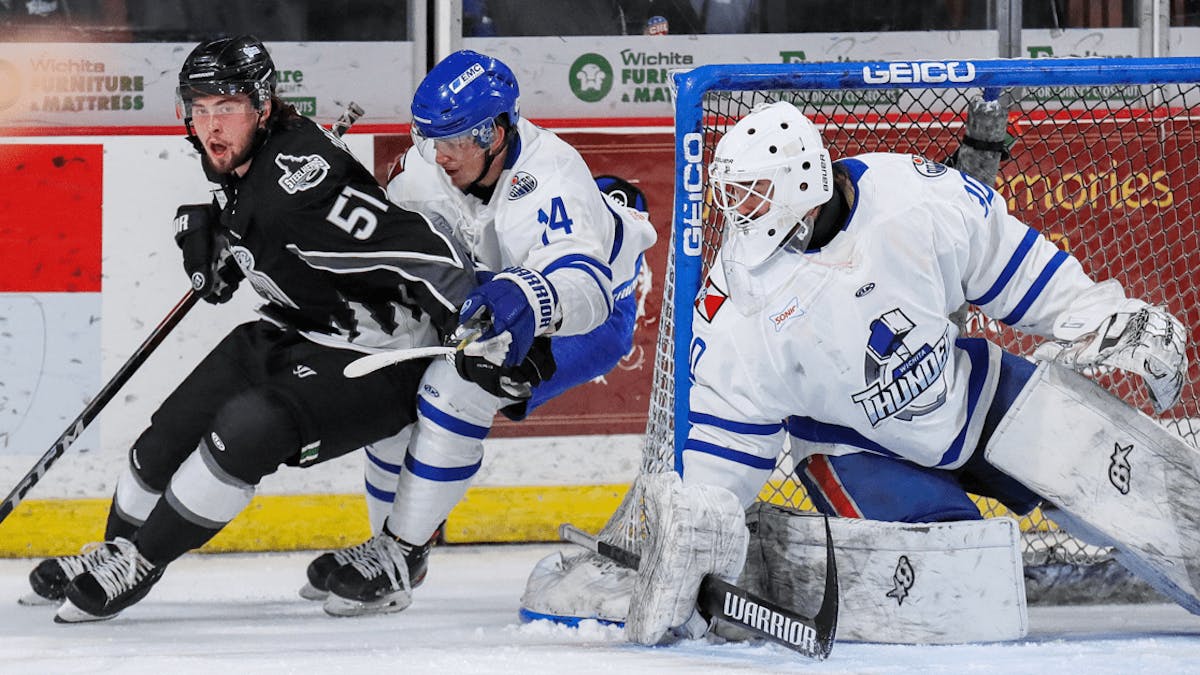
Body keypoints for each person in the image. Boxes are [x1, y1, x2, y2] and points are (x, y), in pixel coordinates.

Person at [617, 101, 1192, 645]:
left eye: (755, 192)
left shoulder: (912, 197)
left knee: (1152, 494)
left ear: (803, 184)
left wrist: (1104, 315)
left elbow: (1019, 270)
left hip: (965, 394)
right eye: (735, 195)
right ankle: (792, 566)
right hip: (856, 448)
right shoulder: (737, 304)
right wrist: (701, 536)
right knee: (960, 591)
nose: (740, 211)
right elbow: (727, 436)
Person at [20, 35, 477, 623]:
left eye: (227, 108)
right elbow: (257, 217)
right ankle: (114, 546)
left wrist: (479, 318)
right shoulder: (246, 159)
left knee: (250, 427)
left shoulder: (298, 188)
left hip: (380, 358)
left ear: (262, 107)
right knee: (167, 435)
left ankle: (140, 562)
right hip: (297, 328)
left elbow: (426, 254)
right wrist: (215, 231)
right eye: (200, 108)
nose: (211, 124)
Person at [300, 49, 657, 617]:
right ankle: (388, 553)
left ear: (496, 133)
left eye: (454, 141)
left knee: (459, 386)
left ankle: (401, 546)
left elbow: (585, 291)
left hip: (586, 313)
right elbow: (391, 253)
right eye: (431, 140)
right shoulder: (426, 169)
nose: (439, 156)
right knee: (389, 389)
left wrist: (531, 296)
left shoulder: (551, 175)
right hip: (482, 291)